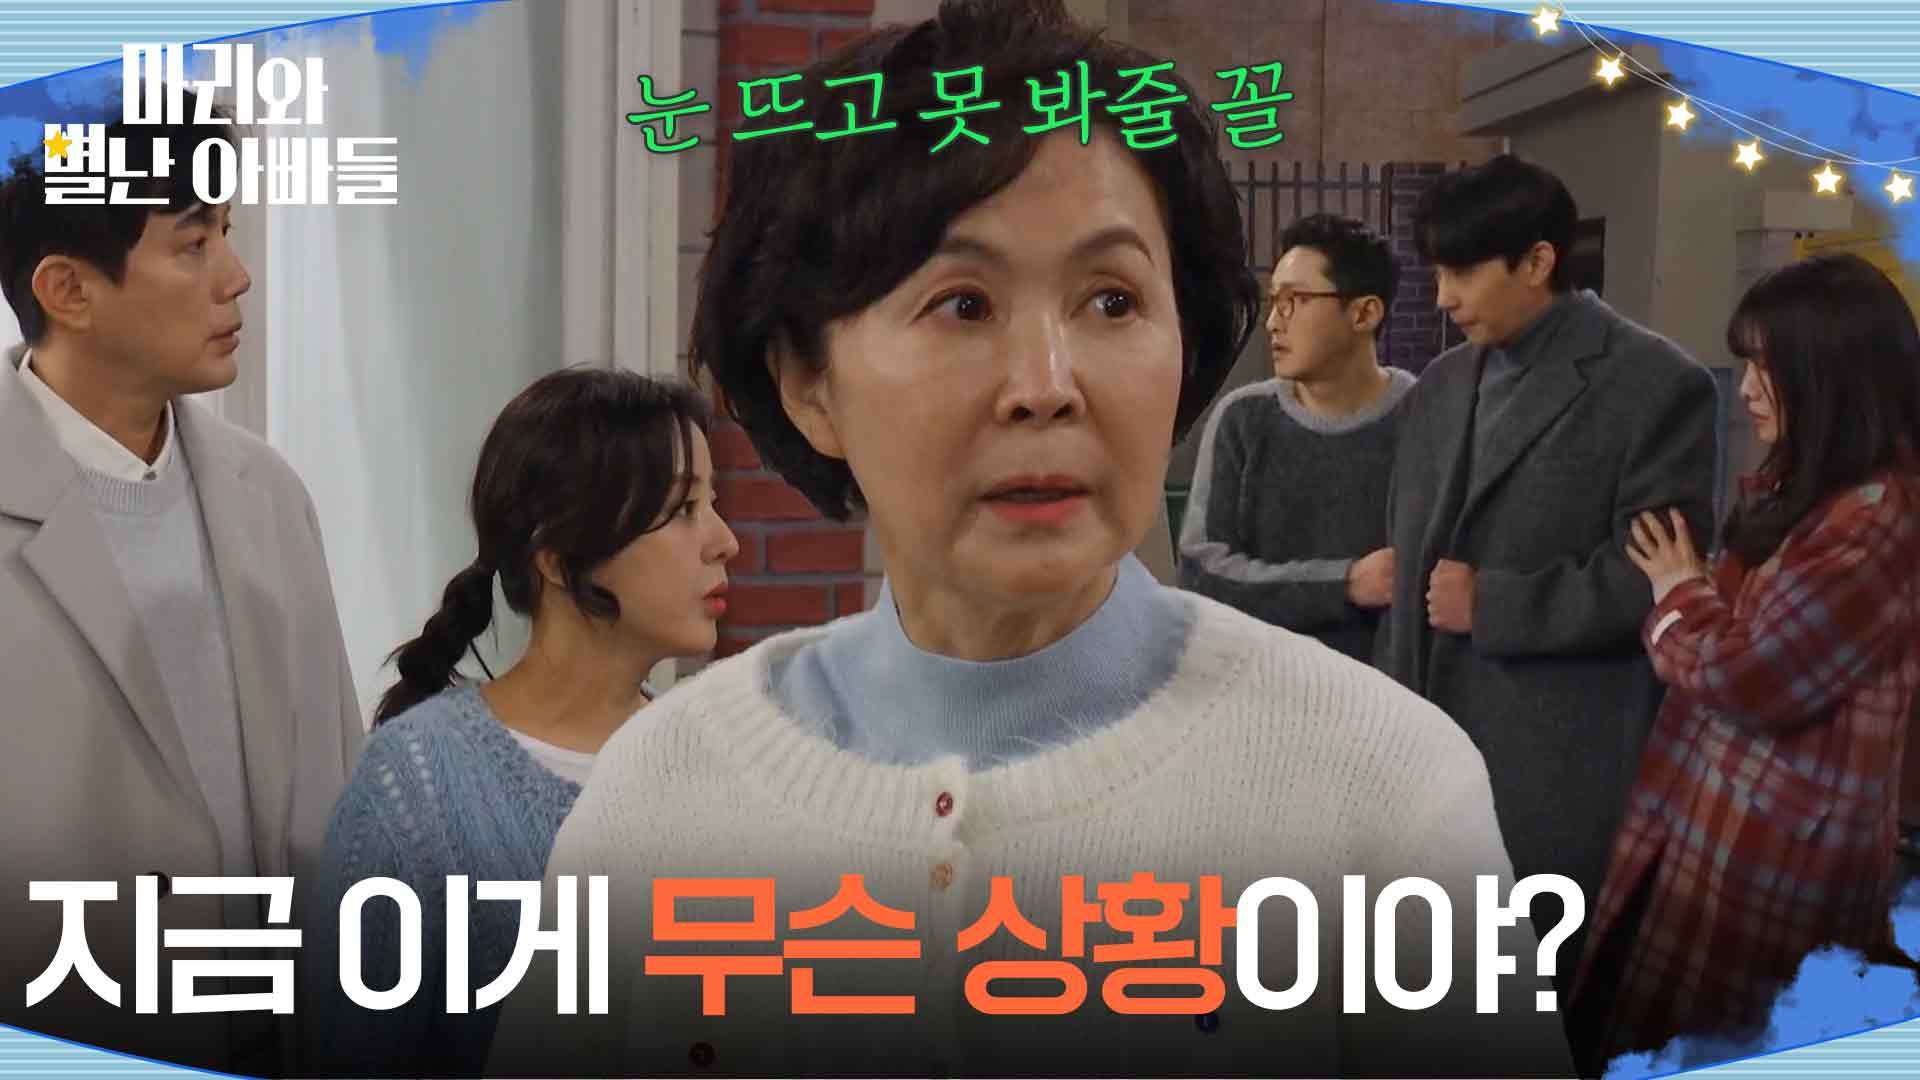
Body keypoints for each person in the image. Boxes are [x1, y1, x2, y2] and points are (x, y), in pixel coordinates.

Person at [487, 4, 1572, 1077]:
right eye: (963, 304)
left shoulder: (1382, 786)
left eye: (1112, 301)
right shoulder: (661, 796)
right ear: (809, 382)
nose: (1047, 386)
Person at [0, 95, 362, 1074]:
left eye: (228, 234)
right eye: (194, 244)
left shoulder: (268, 495)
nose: (236, 276)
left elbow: (337, 793)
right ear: (68, 290)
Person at [306, 367, 738, 1077]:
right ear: (559, 558)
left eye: (713, 503)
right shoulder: (417, 787)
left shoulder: (722, 766)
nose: (724, 540)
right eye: (684, 509)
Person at [1569, 253, 1920, 1067]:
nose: (1748, 390)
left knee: (1726, 1036)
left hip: (1780, 840)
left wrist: (1676, 591)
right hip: (1724, 809)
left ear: (1833, 377)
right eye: (1747, 364)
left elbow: (1744, 675)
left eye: (1769, 368)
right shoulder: (1810, 486)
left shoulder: (1876, 519)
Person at [1377, 154, 1719, 974]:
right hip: (1428, 751)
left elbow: (1651, 579)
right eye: (1437, 272)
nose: (1443, 297)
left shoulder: (1655, 383)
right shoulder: (1441, 384)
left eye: (1463, 271)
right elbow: (1410, 568)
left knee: (1545, 992)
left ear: (1537, 261)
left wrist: (1495, 603)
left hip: (1557, 758)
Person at [1179, 213, 1412, 662]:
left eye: (1295, 300)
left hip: (1392, 689)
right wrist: (1344, 584)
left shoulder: (1425, 417)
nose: (1273, 323)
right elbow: (1201, 575)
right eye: (1274, 301)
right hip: (1262, 680)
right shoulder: (1243, 419)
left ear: (1364, 313)